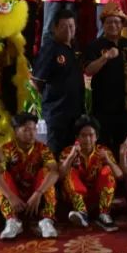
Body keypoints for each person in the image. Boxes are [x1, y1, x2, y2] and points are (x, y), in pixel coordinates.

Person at [84, 3, 127, 152]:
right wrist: (105, 57)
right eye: (109, 22)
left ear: (122, 25)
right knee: (103, 145)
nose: (113, 25)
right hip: (103, 106)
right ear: (103, 25)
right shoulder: (95, 46)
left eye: (117, 22)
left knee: (125, 144)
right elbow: (89, 70)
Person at [0, 112, 60, 239]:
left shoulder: (43, 148)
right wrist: (10, 196)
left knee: (47, 173)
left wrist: (38, 193)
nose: (32, 133)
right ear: (15, 132)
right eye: (26, 130)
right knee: (1, 174)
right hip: (14, 199)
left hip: (36, 198)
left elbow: (55, 172)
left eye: (34, 129)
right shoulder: (7, 149)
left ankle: (47, 220)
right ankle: (12, 221)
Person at [31, 9, 85, 154]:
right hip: (57, 114)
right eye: (63, 26)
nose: (68, 30)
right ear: (55, 28)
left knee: (71, 154)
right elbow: (36, 81)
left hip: (75, 113)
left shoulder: (74, 48)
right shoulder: (50, 48)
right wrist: (52, 98)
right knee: (56, 153)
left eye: (71, 26)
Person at [60, 116, 125, 232]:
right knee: (70, 171)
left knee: (108, 170)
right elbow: (60, 176)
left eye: (91, 135)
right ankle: (82, 213)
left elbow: (120, 176)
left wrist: (109, 161)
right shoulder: (68, 151)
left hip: (99, 198)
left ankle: (104, 214)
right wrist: (70, 158)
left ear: (96, 137)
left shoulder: (103, 151)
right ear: (77, 137)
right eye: (83, 135)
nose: (87, 139)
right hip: (76, 198)